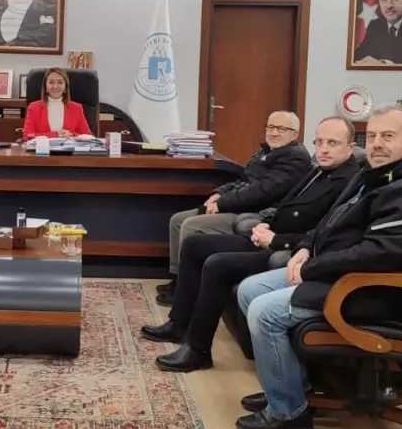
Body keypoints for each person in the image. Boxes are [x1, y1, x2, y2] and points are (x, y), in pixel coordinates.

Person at [235, 104, 402, 429]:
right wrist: (305, 247)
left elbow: (377, 254)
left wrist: (313, 267)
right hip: (338, 275)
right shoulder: (370, 173)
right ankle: (292, 388)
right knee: (250, 289)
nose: (377, 143)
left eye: (388, 136)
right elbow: (329, 222)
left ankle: (288, 413)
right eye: (373, 136)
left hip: (372, 290)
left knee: (264, 312)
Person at [141, 116, 359, 372]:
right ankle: (179, 324)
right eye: (319, 142)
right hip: (269, 237)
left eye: (332, 143)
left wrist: (276, 239)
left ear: (351, 147)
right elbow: (284, 205)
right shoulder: (318, 171)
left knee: (218, 264)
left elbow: (323, 234)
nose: (323, 149)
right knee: (194, 245)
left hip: (287, 252)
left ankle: (198, 350)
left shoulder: (347, 182)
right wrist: (265, 224)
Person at [157, 111, 312, 306]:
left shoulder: (295, 158)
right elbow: (244, 180)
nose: (274, 133)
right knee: (177, 220)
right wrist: (219, 193)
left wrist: (222, 203)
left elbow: (263, 192)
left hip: (256, 214)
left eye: (281, 129)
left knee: (191, 225)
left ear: (295, 134)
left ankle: (186, 293)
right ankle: (178, 280)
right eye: (271, 127)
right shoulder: (266, 151)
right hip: (240, 206)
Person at [22, 67, 92, 140]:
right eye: (51, 82)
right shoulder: (33, 108)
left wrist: (71, 135)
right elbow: (27, 136)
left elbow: (88, 137)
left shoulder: (77, 108)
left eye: (60, 82)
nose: (55, 86)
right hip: (43, 147)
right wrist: (55, 135)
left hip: (68, 147)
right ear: (45, 87)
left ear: (65, 87)